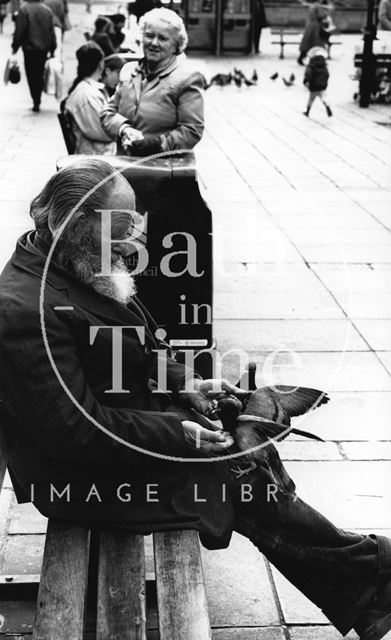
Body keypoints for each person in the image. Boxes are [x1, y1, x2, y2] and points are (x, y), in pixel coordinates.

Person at [0, 158, 391, 640]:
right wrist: (177, 432)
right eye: (122, 231)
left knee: (244, 451)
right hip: (82, 476)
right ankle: (375, 577)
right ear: (79, 226)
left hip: (119, 434)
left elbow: (133, 355)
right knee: (237, 477)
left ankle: (372, 585)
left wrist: (183, 380)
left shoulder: (73, 262)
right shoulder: (22, 310)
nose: (133, 245)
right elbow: (75, 432)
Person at [100, 7, 204, 156]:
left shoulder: (187, 78)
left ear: (177, 45)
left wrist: (155, 145)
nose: (154, 43)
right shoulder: (128, 71)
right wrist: (124, 129)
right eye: (149, 35)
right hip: (124, 166)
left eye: (163, 38)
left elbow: (192, 130)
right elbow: (107, 113)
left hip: (163, 169)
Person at [64, 42, 116, 155]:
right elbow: (105, 131)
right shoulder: (86, 94)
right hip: (97, 158)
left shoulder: (90, 90)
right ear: (101, 64)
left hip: (102, 155)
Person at [11, 0, 56, 112]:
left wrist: (15, 46)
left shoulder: (24, 10)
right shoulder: (47, 11)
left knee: (31, 74)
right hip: (43, 49)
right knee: (40, 73)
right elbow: (51, 31)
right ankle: (38, 97)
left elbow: (20, 31)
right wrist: (52, 48)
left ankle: (35, 99)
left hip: (29, 49)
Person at [298, 0, 333, 65]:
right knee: (318, 44)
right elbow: (320, 16)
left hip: (310, 26)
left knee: (307, 43)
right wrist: (326, 13)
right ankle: (320, 60)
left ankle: (301, 57)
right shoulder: (318, 6)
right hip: (316, 27)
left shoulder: (312, 6)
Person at [303, 46, 333, 116]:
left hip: (314, 86)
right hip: (322, 86)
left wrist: (306, 81)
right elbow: (327, 74)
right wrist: (325, 82)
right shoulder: (324, 65)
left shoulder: (311, 65)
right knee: (324, 98)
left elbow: (308, 74)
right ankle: (328, 107)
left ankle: (307, 111)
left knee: (311, 99)